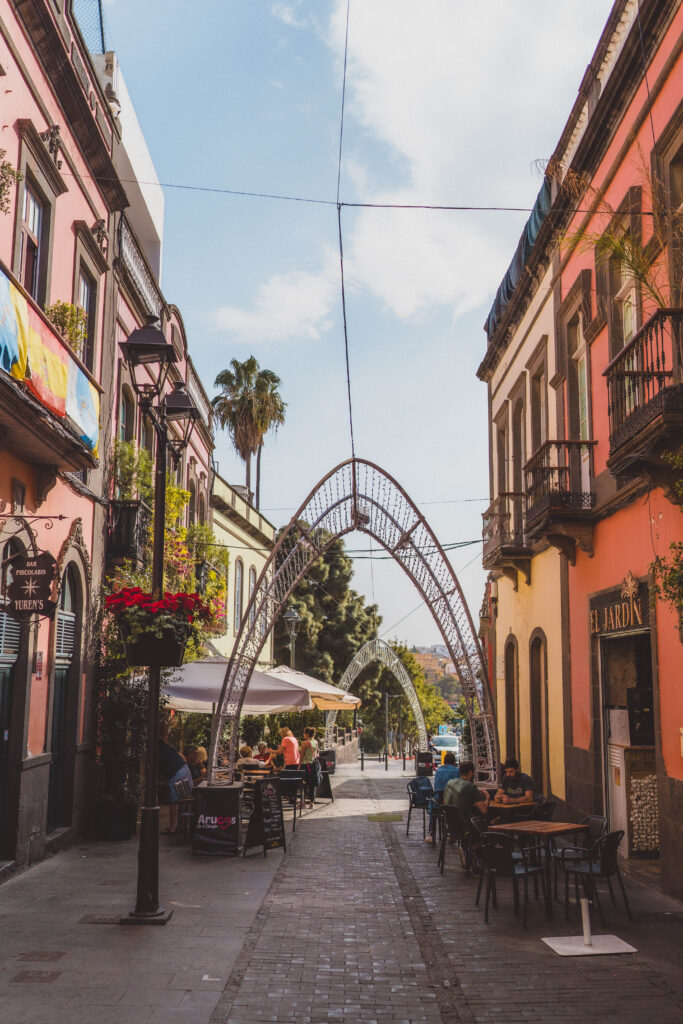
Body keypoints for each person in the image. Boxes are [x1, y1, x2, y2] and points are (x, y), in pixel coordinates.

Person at [443, 761, 489, 855]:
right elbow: (484, 810)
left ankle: (469, 854)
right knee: (490, 832)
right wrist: (487, 796)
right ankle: (471, 850)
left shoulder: (449, 783)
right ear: (471, 772)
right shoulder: (471, 787)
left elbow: (445, 803)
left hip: (450, 826)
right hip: (466, 827)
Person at [158, 738, 193, 835]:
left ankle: (173, 828)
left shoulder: (158, 753)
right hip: (185, 770)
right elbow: (183, 757)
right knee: (183, 801)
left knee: (174, 803)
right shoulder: (170, 749)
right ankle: (182, 826)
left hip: (176, 774)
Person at [427, 751, 460, 843]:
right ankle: (451, 833)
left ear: (444, 761)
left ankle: (431, 833)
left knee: (432, 809)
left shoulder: (438, 770)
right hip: (451, 802)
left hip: (437, 800)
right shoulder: (457, 771)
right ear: (454, 762)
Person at [300, 726, 320, 808]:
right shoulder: (315, 742)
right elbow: (317, 753)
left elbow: (301, 756)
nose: (303, 734)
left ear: (307, 734)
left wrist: (299, 765)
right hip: (313, 765)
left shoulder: (304, 743)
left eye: (304, 733)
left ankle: (303, 802)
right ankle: (312, 803)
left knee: (303, 784)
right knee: (312, 784)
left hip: (305, 765)